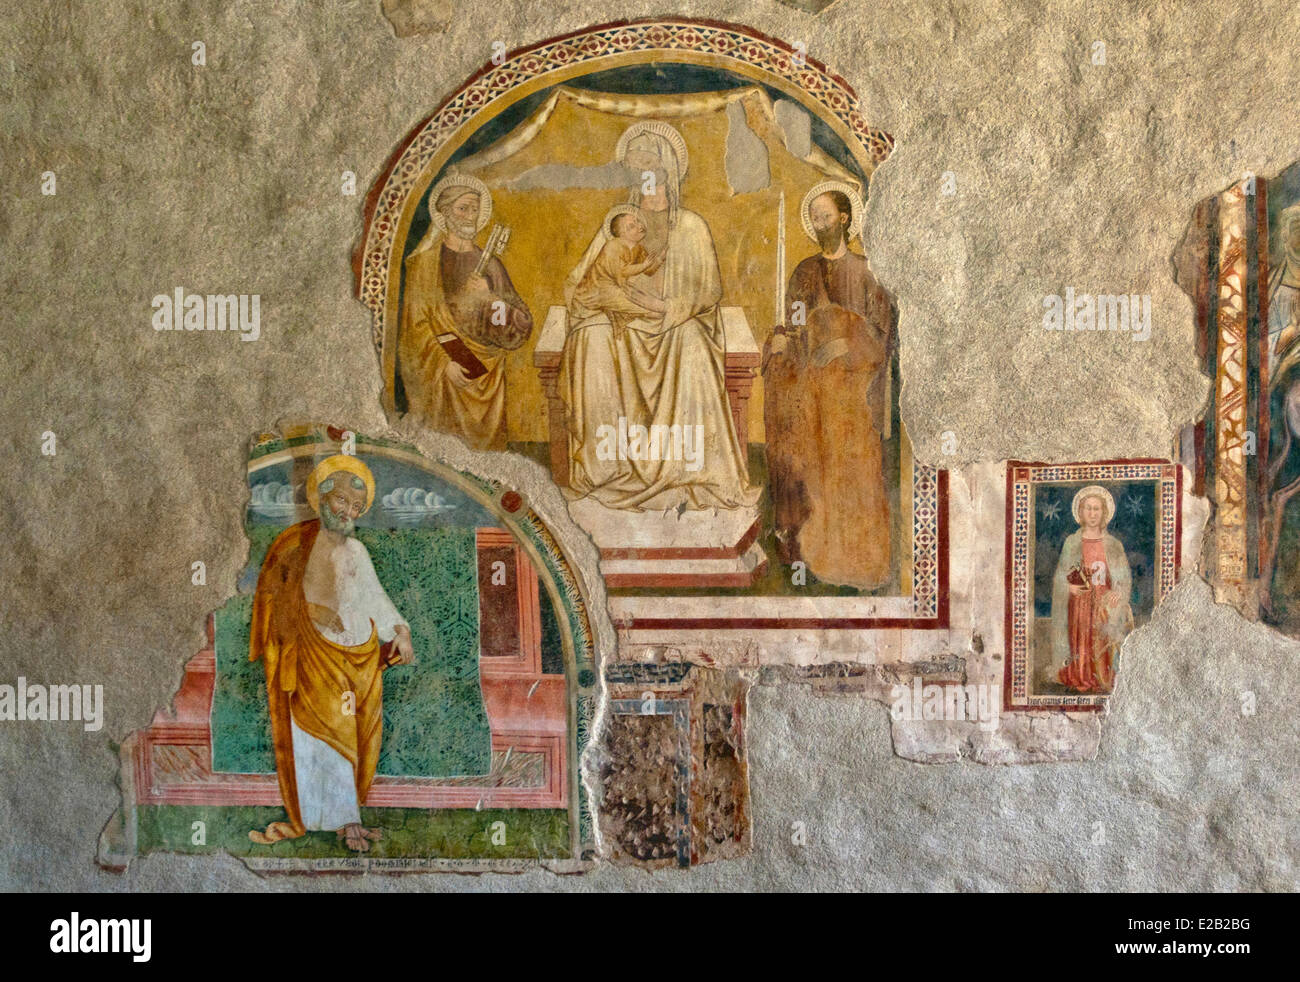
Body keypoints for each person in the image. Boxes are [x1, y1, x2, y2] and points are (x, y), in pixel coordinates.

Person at [559, 120, 758, 511]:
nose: (646, 178)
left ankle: (698, 470)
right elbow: (581, 281)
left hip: (674, 322)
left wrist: (674, 307)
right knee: (591, 338)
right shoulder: (615, 225)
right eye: (638, 171)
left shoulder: (691, 226)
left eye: (653, 170)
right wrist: (604, 303)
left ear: (669, 175)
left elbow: (710, 290)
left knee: (695, 342)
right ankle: (606, 468)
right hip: (625, 322)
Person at [247, 455, 415, 853]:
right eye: (342, 501)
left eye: (357, 507)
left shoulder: (356, 551)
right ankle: (334, 821)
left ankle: (345, 818)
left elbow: (376, 598)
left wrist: (402, 632)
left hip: (357, 659)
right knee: (314, 738)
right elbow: (272, 598)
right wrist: (311, 611)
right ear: (321, 498)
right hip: (309, 656)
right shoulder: (293, 545)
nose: (348, 512)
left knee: (351, 737)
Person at [762, 182, 894, 588]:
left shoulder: (867, 272)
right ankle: (810, 549)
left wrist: (844, 343)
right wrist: (785, 339)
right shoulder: (804, 271)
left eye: (826, 215)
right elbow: (797, 320)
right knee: (808, 461)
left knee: (851, 472)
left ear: (845, 219)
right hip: (814, 390)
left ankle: (855, 558)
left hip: (852, 395)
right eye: (815, 217)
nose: (820, 223)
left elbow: (881, 333)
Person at [399, 172, 533, 451]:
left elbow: (521, 325)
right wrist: (443, 362)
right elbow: (415, 327)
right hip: (445, 375)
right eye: (463, 208)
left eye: (474, 209)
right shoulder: (423, 265)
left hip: (486, 373)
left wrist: (490, 297)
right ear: (445, 213)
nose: (470, 216)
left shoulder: (492, 266)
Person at [1052, 485, 1133, 693]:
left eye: (1097, 509)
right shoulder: (1072, 542)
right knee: (1082, 639)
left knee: (1102, 636)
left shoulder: (1114, 544)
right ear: (1080, 512)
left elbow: (1123, 577)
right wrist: (1069, 586)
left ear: (1104, 512)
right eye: (1088, 508)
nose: (1092, 513)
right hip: (1080, 602)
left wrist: (1118, 591)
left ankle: (1103, 675)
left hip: (1104, 601)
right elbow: (1063, 574)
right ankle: (1082, 674)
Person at [571, 205, 666, 336]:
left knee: (646, 300)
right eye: (631, 226)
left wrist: (660, 258)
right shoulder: (613, 246)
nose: (639, 226)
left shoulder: (638, 248)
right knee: (647, 310)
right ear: (621, 234)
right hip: (598, 290)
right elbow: (622, 271)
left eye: (637, 221)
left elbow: (648, 271)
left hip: (619, 287)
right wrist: (643, 265)